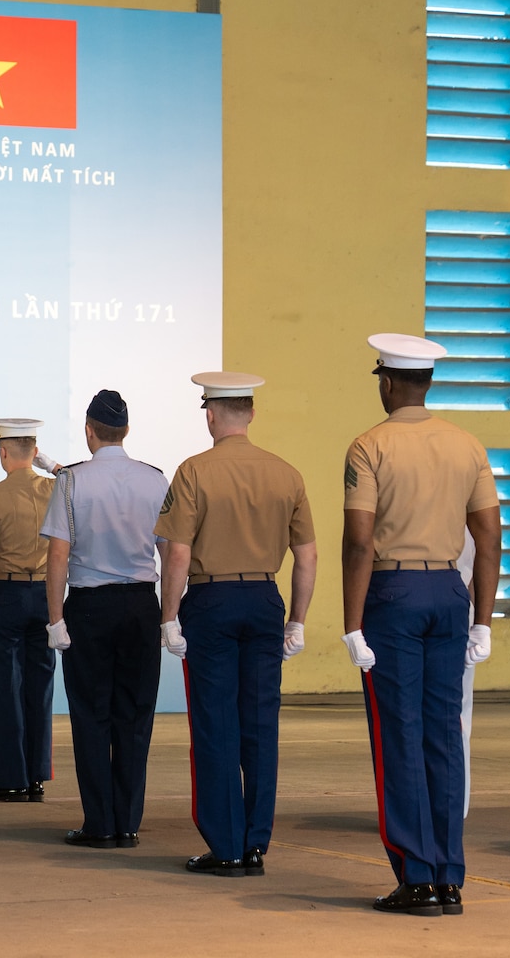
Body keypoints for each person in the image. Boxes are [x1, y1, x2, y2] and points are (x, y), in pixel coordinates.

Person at [340, 334, 500, 916]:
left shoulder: (369, 446)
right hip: (448, 595)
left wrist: (353, 622)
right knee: (443, 732)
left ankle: (417, 877)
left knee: (397, 735)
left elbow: (359, 541)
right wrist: (482, 618)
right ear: (427, 381)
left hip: (393, 591)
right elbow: (488, 536)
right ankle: (450, 874)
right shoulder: (467, 445)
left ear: (386, 382)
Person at [157, 373, 316, 876]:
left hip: (212, 599)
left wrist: (169, 615)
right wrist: (297, 620)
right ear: (251, 413)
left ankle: (224, 845)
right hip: (265, 598)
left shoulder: (194, 472)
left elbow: (177, 552)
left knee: (215, 724)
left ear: (210, 414)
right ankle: (254, 843)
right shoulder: (286, 473)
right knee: (260, 724)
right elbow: (307, 556)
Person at [43, 390, 169, 849]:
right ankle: (128, 822)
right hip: (140, 604)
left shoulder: (72, 481)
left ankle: (99, 822)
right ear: (127, 431)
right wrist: (169, 614)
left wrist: (55, 618)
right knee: (134, 716)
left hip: (90, 606)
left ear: (89, 431)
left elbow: (58, 554)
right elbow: (171, 553)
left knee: (91, 714)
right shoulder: (155, 479)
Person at [0, 418, 57, 803]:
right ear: (35, 452)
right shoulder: (56, 489)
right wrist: (55, 469)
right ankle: (37, 775)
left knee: (7, 687)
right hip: (45, 593)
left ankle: (12, 780)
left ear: (4, 453)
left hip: (6, 595)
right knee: (40, 688)